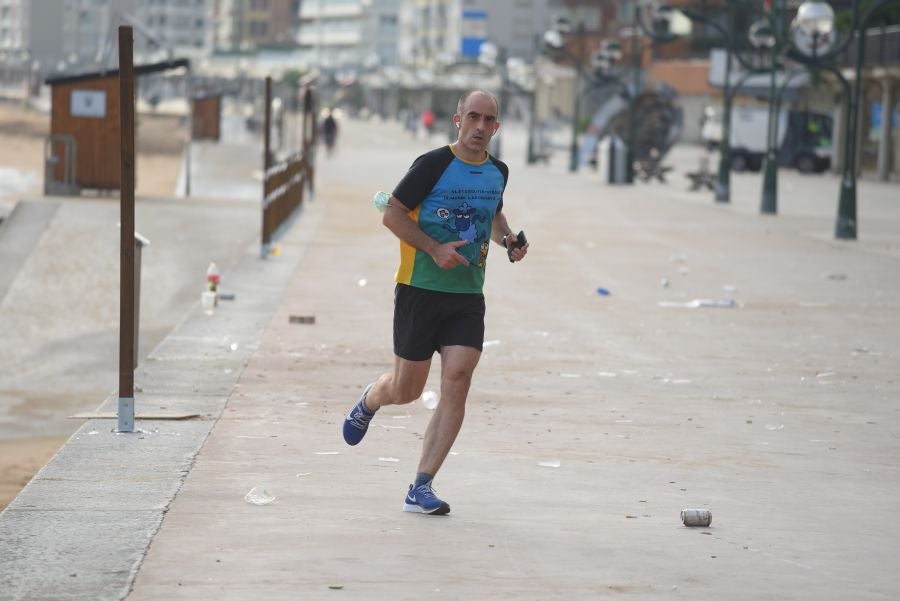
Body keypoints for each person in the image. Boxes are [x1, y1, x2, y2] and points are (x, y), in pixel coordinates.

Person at [342, 90, 529, 515]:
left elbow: (494, 217)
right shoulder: (432, 165)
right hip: (420, 289)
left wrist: (509, 242)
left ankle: (421, 486)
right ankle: (370, 400)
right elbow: (392, 213)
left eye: (489, 121)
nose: (480, 127)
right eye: (474, 118)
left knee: (458, 381)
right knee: (406, 389)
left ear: (497, 128)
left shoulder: (498, 171)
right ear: (457, 120)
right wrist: (433, 249)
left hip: (467, 295)